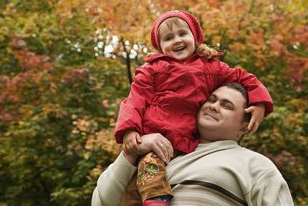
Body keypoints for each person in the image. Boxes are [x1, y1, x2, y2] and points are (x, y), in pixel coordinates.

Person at [114, 10, 274, 205]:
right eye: (168, 38)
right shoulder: (153, 70)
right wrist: (130, 130)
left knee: (155, 178)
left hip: (188, 141)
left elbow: (243, 78)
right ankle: (156, 200)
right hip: (156, 136)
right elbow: (134, 100)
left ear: (195, 37)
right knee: (147, 173)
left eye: (182, 33)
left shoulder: (211, 68)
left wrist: (260, 102)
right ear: (160, 48)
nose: (177, 40)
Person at [92, 83, 294, 206]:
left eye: (226, 105)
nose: (214, 106)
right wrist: (132, 151)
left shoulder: (255, 166)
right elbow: (101, 202)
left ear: (244, 125)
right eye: (211, 99)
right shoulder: (163, 155)